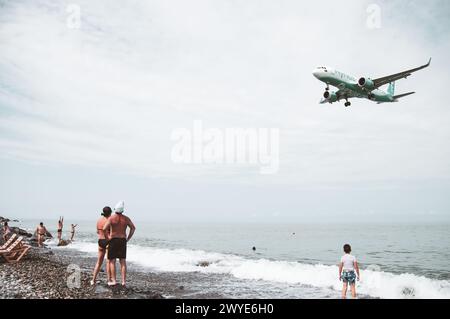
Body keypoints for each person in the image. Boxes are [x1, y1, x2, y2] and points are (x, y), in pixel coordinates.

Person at [103, 201, 136, 287]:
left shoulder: (111, 218)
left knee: (112, 261)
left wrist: (107, 238)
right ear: (122, 210)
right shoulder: (126, 218)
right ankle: (123, 282)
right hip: (122, 240)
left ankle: (114, 280)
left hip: (113, 240)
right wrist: (128, 238)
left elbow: (104, 229)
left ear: (115, 209)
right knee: (123, 262)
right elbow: (133, 228)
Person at [91, 207, 112, 285]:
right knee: (108, 261)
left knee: (99, 262)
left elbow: (97, 231)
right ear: (110, 212)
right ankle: (109, 280)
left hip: (100, 241)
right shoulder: (109, 220)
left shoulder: (99, 220)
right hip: (107, 241)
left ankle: (93, 280)